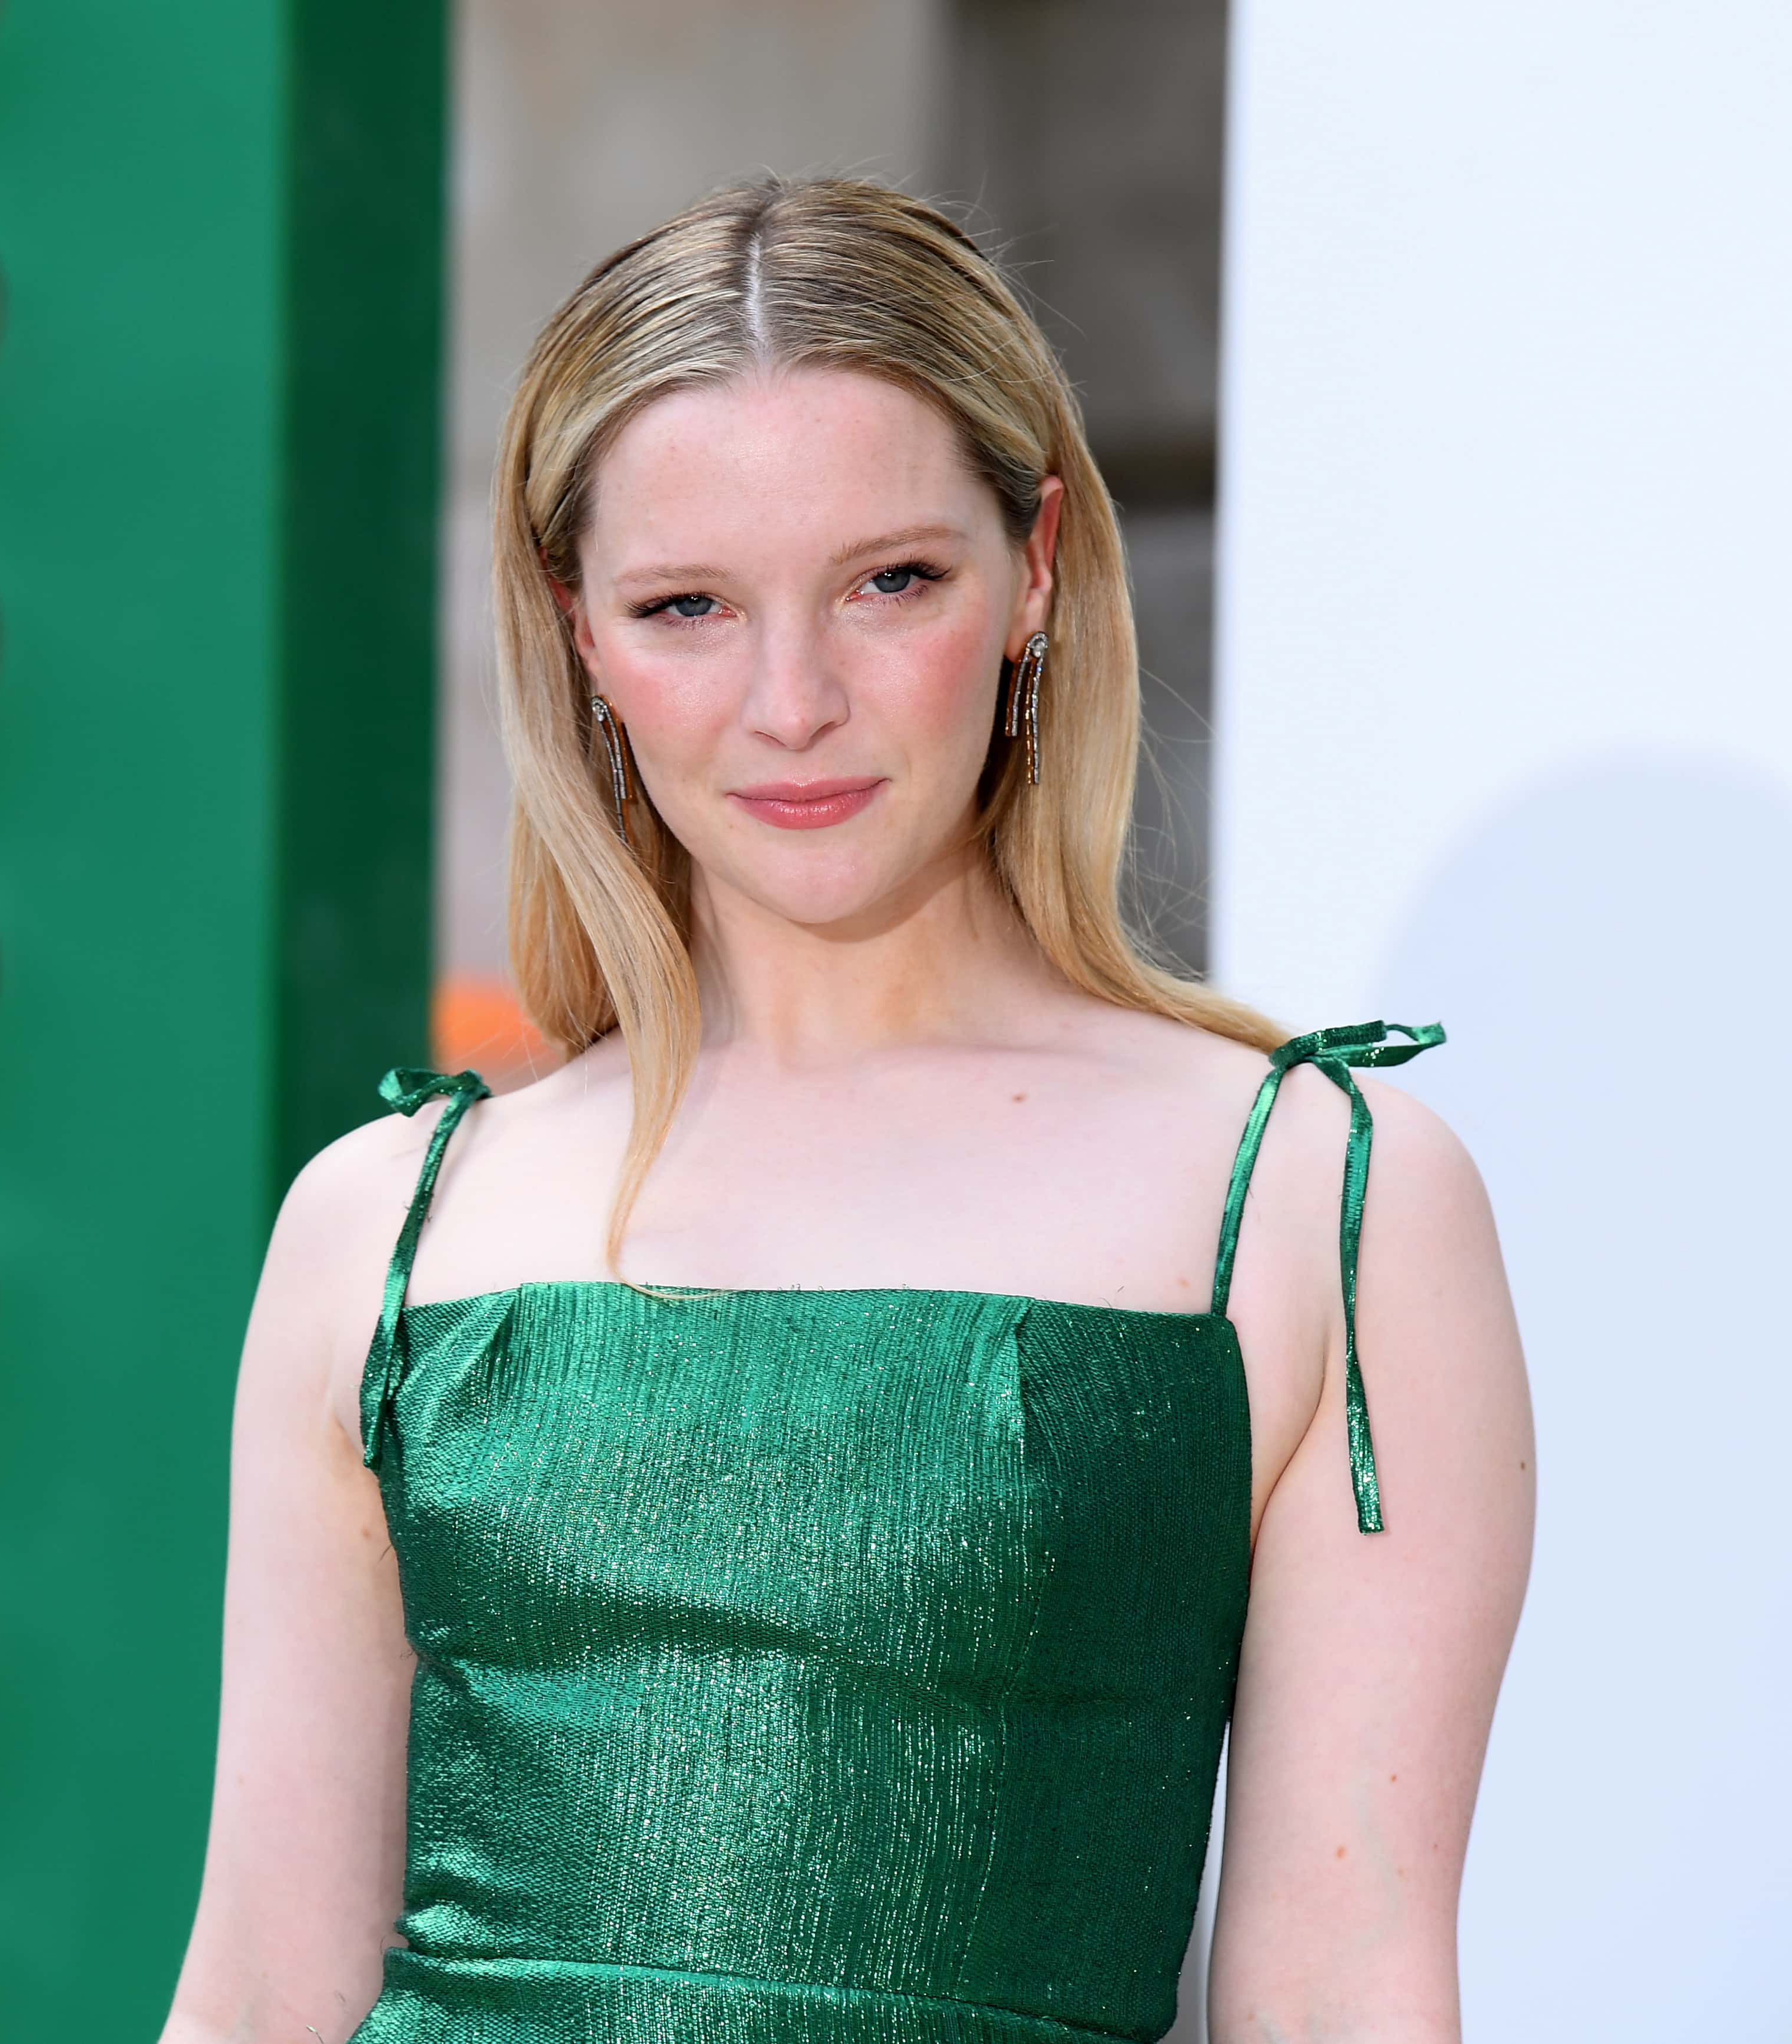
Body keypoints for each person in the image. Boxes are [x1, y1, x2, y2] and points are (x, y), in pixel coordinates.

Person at [154, 176, 1534, 2044]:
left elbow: (1347, 1990)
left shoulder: (1311, 1199)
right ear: (577, 633)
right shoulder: (385, 1222)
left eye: (891, 583)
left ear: (1035, 566)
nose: (792, 701)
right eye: (686, 606)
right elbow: (259, 1987)